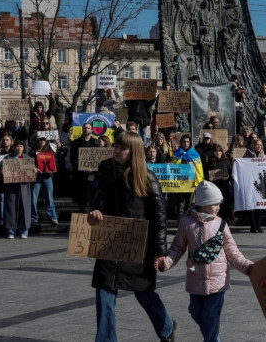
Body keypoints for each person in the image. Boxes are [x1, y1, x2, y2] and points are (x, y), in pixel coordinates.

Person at [88, 132, 176, 342]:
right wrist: (95, 210)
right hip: (109, 241)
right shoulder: (106, 170)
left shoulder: (146, 177)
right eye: (116, 146)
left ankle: (166, 327)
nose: (117, 151)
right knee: (104, 291)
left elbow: (159, 217)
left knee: (143, 291)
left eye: (123, 148)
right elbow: (98, 199)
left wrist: (158, 252)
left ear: (134, 151)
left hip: (137, 244)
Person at [156, 181, 253, 342]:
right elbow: (177, 248)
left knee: (210, 317)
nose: (218, 207)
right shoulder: (186, 223)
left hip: (218, 281)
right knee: (195, 311)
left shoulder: (221, 224)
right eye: (216, 204)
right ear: (205, 204)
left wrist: (247, 266)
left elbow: (232, 252)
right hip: (195, 279)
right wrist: (165, 262)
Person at [2, 140, 35, 239]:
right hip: (12, 187)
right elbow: (0, 168)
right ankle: (11, 231)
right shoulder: (8, 158)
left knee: (24, 208)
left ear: (23, 148)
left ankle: (23, 231)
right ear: (14, 147)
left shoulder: (27, 158)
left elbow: (33, 169)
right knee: (11, 208)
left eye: (21, 146)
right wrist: (2, 171)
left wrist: (35, 170)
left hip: (24, 186)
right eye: (17, 146)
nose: (19, 148)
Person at [70, 123, 100, 212]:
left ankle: (93, 209)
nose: (86, 130)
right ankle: (81, 209)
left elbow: (98, 157)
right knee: (81, 192)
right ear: (82, 129)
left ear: (91, 130)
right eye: (84, 128)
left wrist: (93, 168)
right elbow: (73, 157)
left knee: (93, 192)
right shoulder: (76, 142)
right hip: (80, 173)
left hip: (93, 173)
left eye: (88, 128)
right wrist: (81, 167)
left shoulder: (96, 142)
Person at [31, 137, 59, 226]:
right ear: (37, 141)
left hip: (47, 176)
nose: (42, 142)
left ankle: (52, 217)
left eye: (44, 140)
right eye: (40, 140)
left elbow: (56, 164)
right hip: (36, 177)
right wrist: (34, 168)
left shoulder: (50, 152)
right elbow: (28, 164)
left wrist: (52, 169)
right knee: (33, 197)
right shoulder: (32, 152)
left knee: (49, 197)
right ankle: (33, 217)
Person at [204, 145, 234, 223]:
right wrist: (210, 178)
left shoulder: (226, 160)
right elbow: (206, 174)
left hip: (225, 185)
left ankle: (227, 218)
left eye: (219, 151)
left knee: (227, 202)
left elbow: (231, 172)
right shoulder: (210, 161)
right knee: (217, 203)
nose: (218, 153)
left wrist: (228, 177)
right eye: (216, 151)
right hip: (215, 186)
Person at [243, 139, 266, 233]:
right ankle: (253, 226)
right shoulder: (247, 155)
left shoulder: (264, 156)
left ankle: (258, 225)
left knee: (259, 205)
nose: (259, 146)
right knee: (251, 205)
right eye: (257, 145)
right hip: (250, 183)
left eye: (260, 145)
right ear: (253, 145)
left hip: (260, 183)